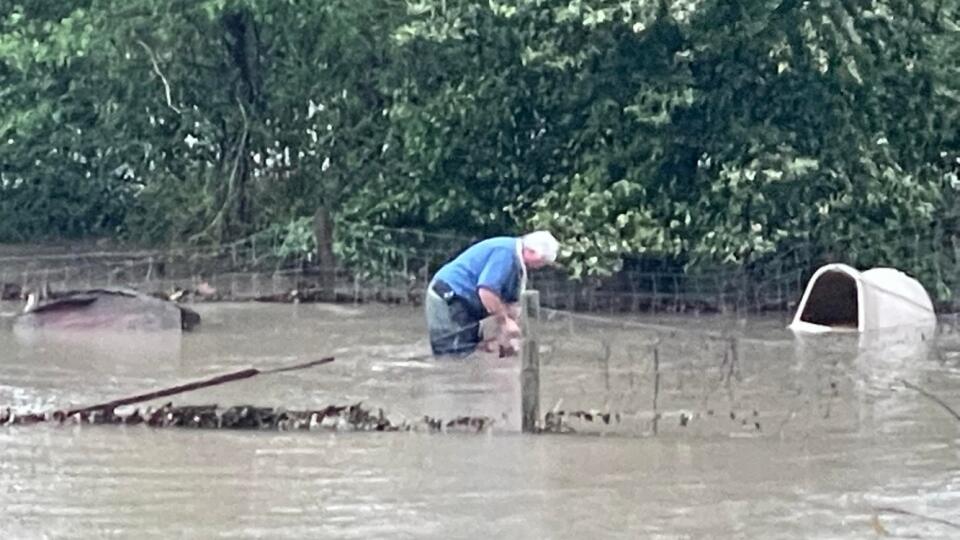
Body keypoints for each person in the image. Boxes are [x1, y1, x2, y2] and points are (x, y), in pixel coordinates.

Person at [425, 230, 559, 357]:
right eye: (543, 261)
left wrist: (509, 337)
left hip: (465, 302)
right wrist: (504, 322)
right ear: (531, 252)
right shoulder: (505, 253)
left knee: (471, 350)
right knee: (452, 355)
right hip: (449, 296)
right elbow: (486, 292)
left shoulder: (518, 265)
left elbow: (511, 304)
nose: (541, 266)